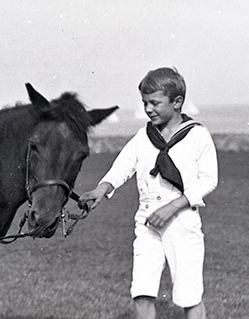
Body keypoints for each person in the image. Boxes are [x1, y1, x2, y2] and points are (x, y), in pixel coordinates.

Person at [79, 67, 218, 319]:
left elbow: (209, 180)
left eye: (155, 102)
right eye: (144, 102)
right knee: (141, 291)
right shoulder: (144, 136)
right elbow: (122, 166)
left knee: (189, 295)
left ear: (177, 102)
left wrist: (172, 207)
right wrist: (102, 188)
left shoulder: (197, 135)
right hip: (146, 222)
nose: (148, 109)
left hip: (182, 220)